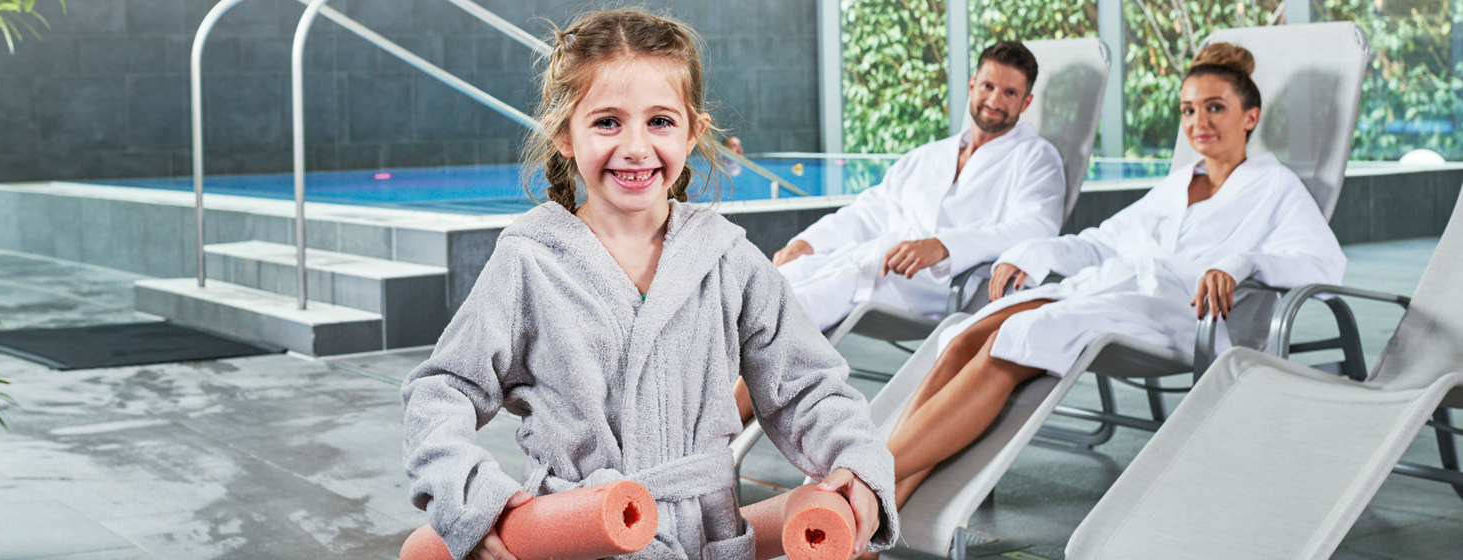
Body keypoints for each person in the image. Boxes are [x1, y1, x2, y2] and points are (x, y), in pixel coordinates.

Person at [401, 8, 898, 560]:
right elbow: (441, 390)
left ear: (693, 133)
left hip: (703, 535)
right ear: (564, 133)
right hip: (581, 531)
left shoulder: (728, 259)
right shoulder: (530, 260)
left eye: (660, 121)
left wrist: (856, 461)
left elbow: (807, 387)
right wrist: (473, 499)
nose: (635, 146)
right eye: (607, 122)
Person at [879, 43, 1346, 513]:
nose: (1198, 122)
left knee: (1018, 332)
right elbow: (1103, 242)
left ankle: (866, 480)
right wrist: (1035, 251)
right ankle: (876, 509)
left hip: (1176, 315)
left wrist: (1242, 262)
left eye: (1215, 108)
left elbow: (1326, 264)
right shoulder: (1178, 184)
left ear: (1250, 117)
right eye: (1188, 110)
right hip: (1109, 292)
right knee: (965, 334)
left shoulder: (1276, 186)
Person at [735, 41, 1068, 423]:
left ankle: (721, 438)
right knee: (771, 288)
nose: (995, 99)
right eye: (989, 86)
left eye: (1010, 93)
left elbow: (1036, 226)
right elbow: (871, 210)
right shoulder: (930, 155)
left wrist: (944, 246)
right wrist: (810, 241)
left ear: (1025, 103)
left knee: (793, 311)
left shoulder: (1036, 159)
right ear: (973, 85)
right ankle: (698, 428)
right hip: (876, 262)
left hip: (941, 283)